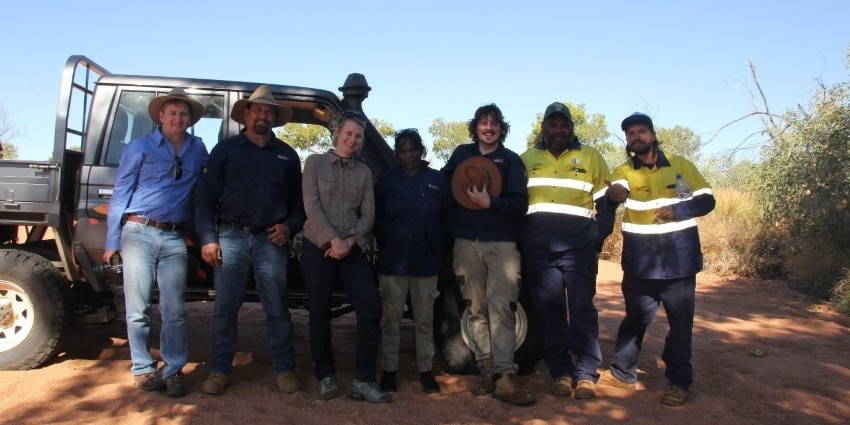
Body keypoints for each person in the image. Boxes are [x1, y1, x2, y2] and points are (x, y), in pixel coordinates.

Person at [599, 112, 715, 406]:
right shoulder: (624, 171)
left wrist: (678, 211)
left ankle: (678, 383)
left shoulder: (680, 165)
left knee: (680, 325)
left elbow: (707, 200)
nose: (636, 137)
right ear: (627, 141)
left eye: (641, 131)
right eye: (630, 134)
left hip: (680, 262)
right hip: (640, 262)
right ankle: (622, 373)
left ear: (652, 135)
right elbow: (613, 194)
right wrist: (613, 197)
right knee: (635, 319)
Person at [194, 85, 305, 395]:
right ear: (246, 114)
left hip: (271, 240)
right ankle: (219, 370)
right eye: (258, 109)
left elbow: (299, 205)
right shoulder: (225, 151)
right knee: (225, 308)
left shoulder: (287, 155)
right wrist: (208, 238)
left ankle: (284, 369)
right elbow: (205, 199)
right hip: (230, 236)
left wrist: (289, 227)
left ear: (274, 117)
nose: (263, 115)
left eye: (268, 111)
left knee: (277, 308)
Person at [104, 88, 209, 397]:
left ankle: (173, 370)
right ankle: (143, 368)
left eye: (183, 114)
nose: (178, 118)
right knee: (138, 308)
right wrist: (112, 240)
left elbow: (208, 186)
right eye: (172, 113)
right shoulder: (139, 147)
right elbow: (121, 193)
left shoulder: (198, 149)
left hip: (174, 237)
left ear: (190, 119)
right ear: (161, 116)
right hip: (138, 232)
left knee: (175, 310)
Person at [519, 102, 615, 400]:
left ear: (571, 128)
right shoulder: (526, 159)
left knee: (582, 309)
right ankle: (560, 372)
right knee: (550, 312)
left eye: (563, 125)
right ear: (544, 128)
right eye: (553, 125)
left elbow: (607, 203)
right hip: (539, 252)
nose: (558, 130)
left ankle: (585, 374)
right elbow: (516, 203)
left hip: (578, 250)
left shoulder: (591, 157)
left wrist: (597, 238)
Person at [441, 104, 535, 406]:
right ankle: (487, 371)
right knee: (475, 309)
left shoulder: (511, 160)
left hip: (502, 244)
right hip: (465, 241)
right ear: (476, 127)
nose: (489, 127)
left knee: (502, 309)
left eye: (494, 123)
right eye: (483, 122)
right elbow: (445, 188)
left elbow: (520, 204)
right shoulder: (461, 155)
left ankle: (506, 377)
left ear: (501, 128)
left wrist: (490, 203)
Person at [301, 110, 389, 403]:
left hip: (351, 248)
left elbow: (368, 214)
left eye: (358, 136)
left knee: (371, 308)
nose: (352, 140)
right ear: (337, 132)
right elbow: (311, 205)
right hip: (318, 245)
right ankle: (325, 375)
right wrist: (332, 239)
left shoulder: (363, 173)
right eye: (348, 133)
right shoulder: (314, 163)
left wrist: (349, 241)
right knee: (319, 312)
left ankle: (363, 380)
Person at [374, 128, 452, 394]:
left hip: (426, 262)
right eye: (403, 151)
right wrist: (388, 241)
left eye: (413, 150)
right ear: (397, 153)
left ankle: (426, 371)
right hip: (393, 261)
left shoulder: (437, 180)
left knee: (424, 320)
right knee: (391, 319)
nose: (408, 155)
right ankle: (389, 371)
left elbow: (447, 220)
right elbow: (376, 219)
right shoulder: (387, 181)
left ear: (421, 150)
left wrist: (436, 248)